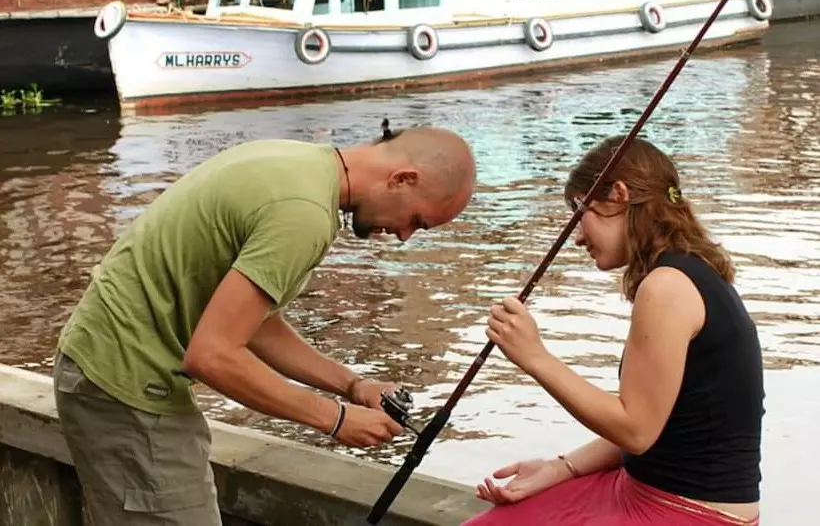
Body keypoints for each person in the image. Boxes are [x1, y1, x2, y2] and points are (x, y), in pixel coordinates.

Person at [52, 120, 476, 525]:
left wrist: (353, 386)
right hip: (126, 389)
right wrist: (335, 419)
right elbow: (212, 355)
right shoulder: (303, 215)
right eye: (417, 222)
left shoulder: (298, 164)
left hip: (101, 368)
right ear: (402, 178)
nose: (404, 236)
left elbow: (255, 324)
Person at [464, 135, 764, 525]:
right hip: (638, 488)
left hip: (690, 513)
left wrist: (535, 357)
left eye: (580, 210)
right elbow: (658, 423)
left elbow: (636, 430)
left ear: (618, 195)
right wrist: (560, 468)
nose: (577, 236)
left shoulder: (667, 286)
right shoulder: (689, 271)